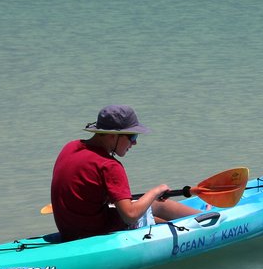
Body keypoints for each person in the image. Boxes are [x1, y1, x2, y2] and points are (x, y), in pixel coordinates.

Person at [50, 104, 200, 242]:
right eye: (132, 137)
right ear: (112, 135)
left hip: (69, 231)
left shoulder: (70, 147)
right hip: (94, 233)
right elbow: (130, 216)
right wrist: (156, 191)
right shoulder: (109, 165)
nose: (135, 143)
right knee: (157, 205)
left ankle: (185, 223)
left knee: (150, 214)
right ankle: (209, 220)